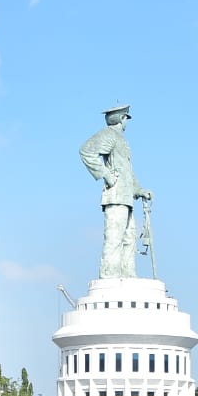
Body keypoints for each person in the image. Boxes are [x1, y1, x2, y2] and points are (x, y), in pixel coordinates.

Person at [78, 104, 154, 278]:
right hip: (115, 196)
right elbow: (86, 151)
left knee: (129, 238)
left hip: (126, 197)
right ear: (122, 118)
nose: (127, 121)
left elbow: (126, 171)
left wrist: (139, 190)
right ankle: (110, 274)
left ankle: (127, 274)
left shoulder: (121, 139)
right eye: (126, 117)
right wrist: (106, 175)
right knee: (115, 237)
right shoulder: (109, 135)